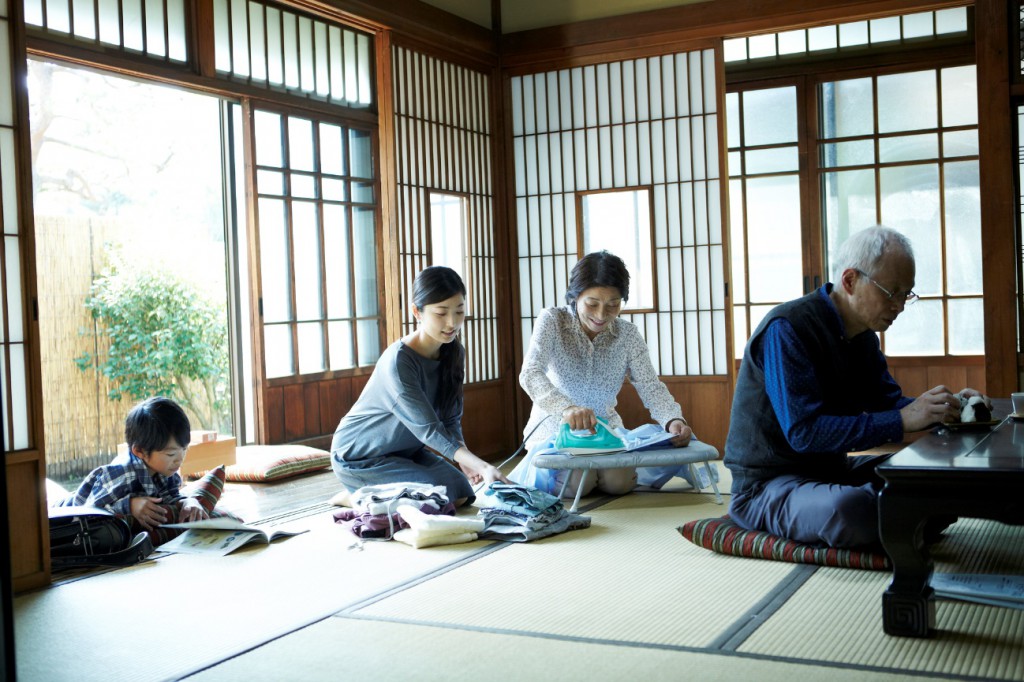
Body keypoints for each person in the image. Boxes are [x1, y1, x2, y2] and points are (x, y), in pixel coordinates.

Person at [724, 225, 983, 550]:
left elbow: (890, 405)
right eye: (893, 292)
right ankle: (891, 517)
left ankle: (895, 516)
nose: (900, 305)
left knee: (931, 477)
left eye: (907, 293)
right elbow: (805, 433)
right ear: (850, 281)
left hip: (832, 471)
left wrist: (948, 407)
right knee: (852, 510)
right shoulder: (788, 328)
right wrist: (904, 420)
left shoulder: (863, 337)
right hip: (767, 484)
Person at [513, 250, 695, 498]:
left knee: (618, 483)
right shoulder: (552, 321)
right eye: (592, 304)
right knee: (578, 483)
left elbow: (651, 386)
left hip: (608, 436)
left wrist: (673, 419)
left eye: (613, 305)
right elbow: (530, 373)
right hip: (555, 435)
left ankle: (604, 475)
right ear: (575, 296)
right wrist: (567, 409)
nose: (601, 315)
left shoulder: (627, 334)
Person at [330, 266, 508, 507]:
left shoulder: (454, 352)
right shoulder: (399, 362)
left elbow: (450, 417)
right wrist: (482, 465)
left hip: (405, 452)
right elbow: (430, 430)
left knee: (461, 493)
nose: (452, 323)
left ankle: (374, 494)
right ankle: (358, 497)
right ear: (417, 312)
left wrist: (464, 458)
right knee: (439, 501)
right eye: (441, 313)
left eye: (459, 311)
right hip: (360, 457)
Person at [58, 396, 212, 531]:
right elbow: (87, 514)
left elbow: (171, 497)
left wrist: (187, 502)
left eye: (184, 449)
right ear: (139, 451)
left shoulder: (165, 469)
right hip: (59, 519)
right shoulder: (122, 474)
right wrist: (129, 506)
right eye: (171, 454)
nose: (179, 459)